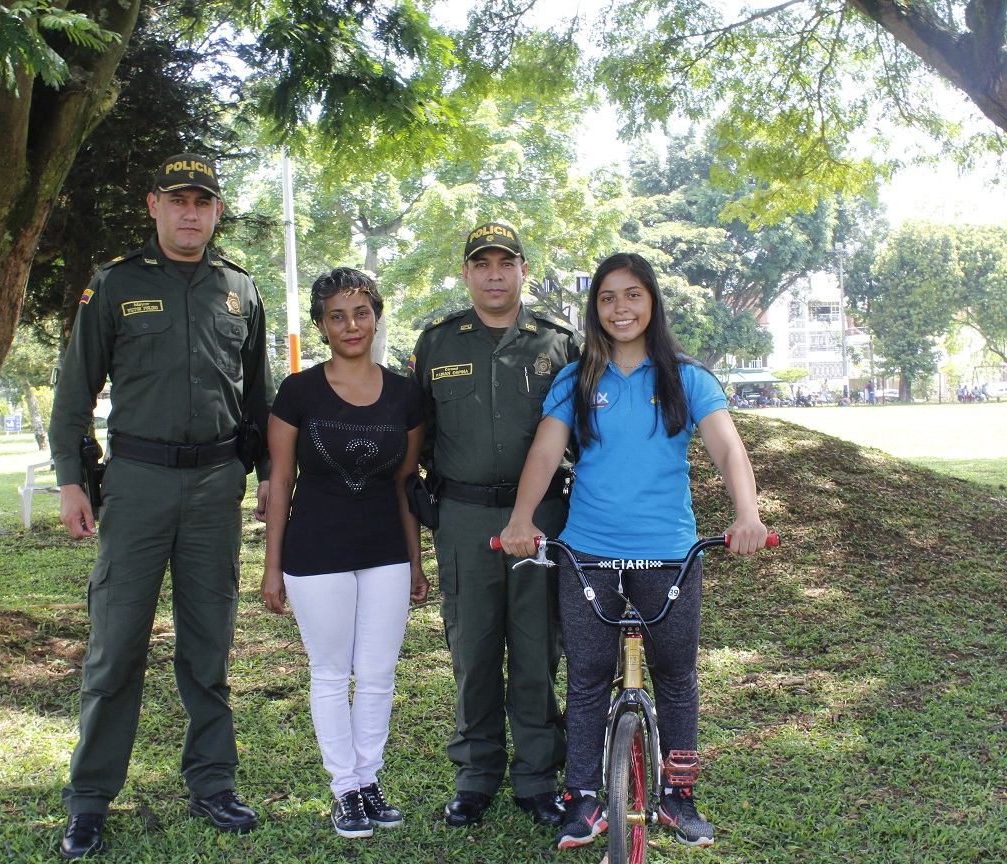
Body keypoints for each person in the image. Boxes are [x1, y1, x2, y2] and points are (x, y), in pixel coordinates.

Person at [498, 251, 770, 851]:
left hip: (670, 552)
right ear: (595, 309)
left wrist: (746, 515)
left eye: (632, 295)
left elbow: (728, 450)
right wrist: (522, 519)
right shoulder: (576, 380)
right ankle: (584, 800)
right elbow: (545, 454)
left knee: (675, 676)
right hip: (589, 551)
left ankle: (679, 796)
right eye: (607, 298)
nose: (620, 308)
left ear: (651, 302)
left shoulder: (687, 376)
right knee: (589, 676)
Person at [48, 153, 274, 859]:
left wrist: (268, 472)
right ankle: (90, 799)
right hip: (139, 485)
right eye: (178, 199)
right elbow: (73, 390)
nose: (190, 212)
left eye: (202, 201)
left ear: (215, 211)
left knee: (208, 648)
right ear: (153, 205)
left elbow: (260, 396)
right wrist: (70, 478)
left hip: (215, 489)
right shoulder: (115, 285)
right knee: (116, 649)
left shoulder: (240, 290)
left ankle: (212, 782)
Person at [409, 222, 582, 829]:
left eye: (504, 263)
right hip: (463, 518)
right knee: (473, 651)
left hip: (542, 518)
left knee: (537, 648)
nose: (493, 275)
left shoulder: (559, 344)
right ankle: (477, 775)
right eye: (481, 264)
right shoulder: (436, 344)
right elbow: (418, 435)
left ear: (522, 271)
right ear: (467, 273)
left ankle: (538, 778)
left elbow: (585, 435)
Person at [260, 268, 429, 839]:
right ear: (321, 325)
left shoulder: (406, 394)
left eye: (361, 312)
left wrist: (416, 561)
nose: (351, 324)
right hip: (316, 551)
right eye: (337, 314)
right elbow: (280, 482)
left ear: (376, 316)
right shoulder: (298, 392)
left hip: (384, 550)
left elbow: (407, 483)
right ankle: (344, 790)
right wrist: (271, 567)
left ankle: (370, 781)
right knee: (332, 674)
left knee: (378, 674)